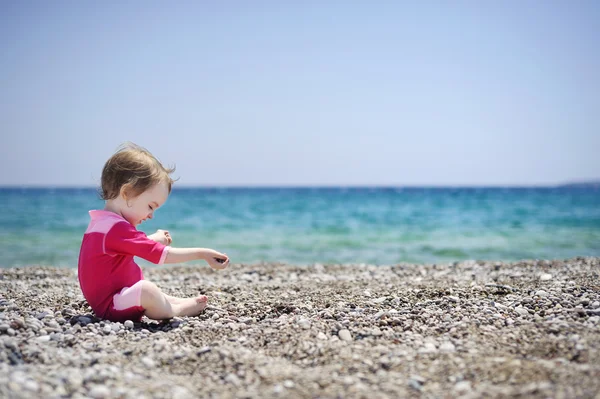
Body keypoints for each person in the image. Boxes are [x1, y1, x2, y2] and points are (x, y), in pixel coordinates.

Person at [78, 142, 229, 323]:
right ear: (126, 193)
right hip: (114, 305)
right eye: (151, 206)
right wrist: (202, 253)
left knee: (150, 291)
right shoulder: (117, 228)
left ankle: (169, 301)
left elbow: (128, 247)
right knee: (147, 290)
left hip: (115, 298)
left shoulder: (102, 223)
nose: (151, 216)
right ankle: (175, 309)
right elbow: (162, 256)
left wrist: (154, 239)